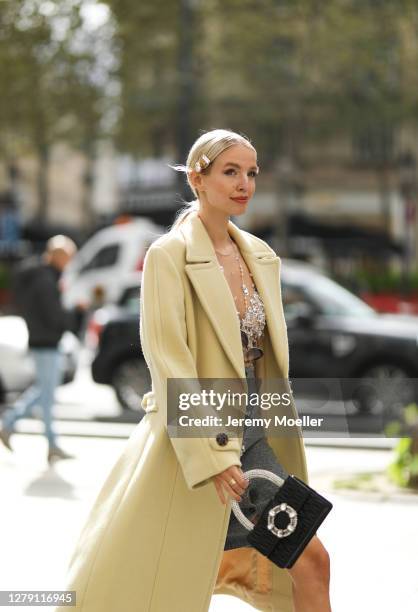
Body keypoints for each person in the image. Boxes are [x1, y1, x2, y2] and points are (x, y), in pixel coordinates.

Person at [54, 130, 331, 612]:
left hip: (253, 432)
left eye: (251, 173)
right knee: (174, 578)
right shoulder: (169, 255)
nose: (244, 183)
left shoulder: (261, 256)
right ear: (197, 178)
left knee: (308, 564)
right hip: (197, 443)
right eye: (230, 172)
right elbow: (168, 358)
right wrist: (212, 453)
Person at [0, 235, 85, 463]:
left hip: (43, 341)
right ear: (58, 256)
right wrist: (74, 314)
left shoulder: (41, 276)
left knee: (44, 391)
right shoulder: (45, 280)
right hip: (46, 343)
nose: (69, 262)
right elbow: (53, 315)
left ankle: (11, 425)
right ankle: (48, 442)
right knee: (46, 395)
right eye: (68, 257)